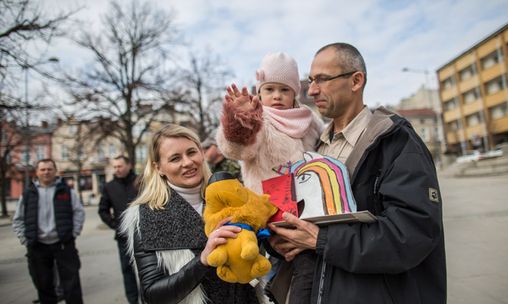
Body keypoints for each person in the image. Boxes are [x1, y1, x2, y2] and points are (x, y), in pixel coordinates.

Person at [268, 43, 447, 303]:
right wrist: (281, 242)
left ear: (356, 81)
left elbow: (411, 233)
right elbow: (300, 222)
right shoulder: (312, 149)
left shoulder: (395, 142)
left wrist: (321, 239)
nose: (312, 89)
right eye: (310, 80)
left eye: (322, 79)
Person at [216, 52, 325, 303]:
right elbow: (238, 149)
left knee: (308, 270)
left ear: (295, 93)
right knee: (285, 270)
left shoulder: (308, 120)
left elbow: (325, 146)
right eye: (270, 89)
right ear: (260, 92)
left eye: (284, 90)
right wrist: (240, 120)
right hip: (270, 213)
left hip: (308, 210)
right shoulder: (259, 121)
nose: (276, 96)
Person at [119, 124, 264, 304]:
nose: (187, 162)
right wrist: (202, 259)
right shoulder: (147, 216)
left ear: (201, 153)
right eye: (175, 158)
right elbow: (152, 295)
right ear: (159, 168)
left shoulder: (232, 194)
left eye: (191, 152)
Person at [12, 159, 85, 304]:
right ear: (37, 172)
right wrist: (26, 240)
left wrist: (73, 234)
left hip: (63, 245)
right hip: (38, 247)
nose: (46, 172)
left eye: (49, 169)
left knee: (72, 286)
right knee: (44, 287)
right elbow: (18, 219)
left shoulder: (66, 191)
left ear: (55, 171)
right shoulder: (28, 194)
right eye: (43, 169)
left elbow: (79, 212)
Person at [98, 155, 139, 304]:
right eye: (115, 167)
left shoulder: (140, 181)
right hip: (123, 238)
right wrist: (116, 225)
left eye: (120, 166)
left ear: (128, 165)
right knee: (127, 271)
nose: (117, 169)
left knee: (149, 270)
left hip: (144, 235)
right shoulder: (109, 187)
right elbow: (102, 210)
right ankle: (133, 301)